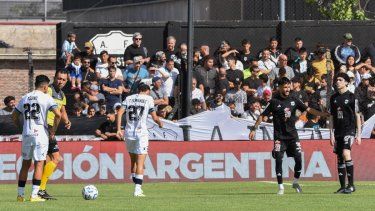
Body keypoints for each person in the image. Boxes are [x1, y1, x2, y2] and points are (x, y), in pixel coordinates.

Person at [249, 77, 330, 195]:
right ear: (280, 87)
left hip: (292, 136)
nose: (287, 89)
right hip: (279, 137)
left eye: (289, 87)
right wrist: (254, 129)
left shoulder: (294, 99)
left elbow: (308, 109)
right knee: (278, 159)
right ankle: (281, 187)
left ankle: (295, 182)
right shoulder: (274, 101)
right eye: (285, 87)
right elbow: (262, 115)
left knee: (298, 159)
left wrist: (323, 114)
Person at [12, 75, 61, 202]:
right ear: (45, 86)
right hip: (40, 134)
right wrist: (53, 130)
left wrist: (21, 127)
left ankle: (20, 195)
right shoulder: (46, 97)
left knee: (25, 164)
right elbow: (58, 114)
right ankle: (34, 195)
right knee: (39, 163)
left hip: (27, 133)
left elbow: (14, 116)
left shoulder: (25, 97)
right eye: (47, 87)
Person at [116, 84, 163, 197]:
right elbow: (154, 117)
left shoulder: (128, 98)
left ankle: (136, 184)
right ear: (147, 91)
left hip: (128, 133)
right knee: (141, 162)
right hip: (141, 133)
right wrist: (160, 123)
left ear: (138, 90)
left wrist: (118, 129)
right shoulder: (148, 99)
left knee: (133, 161)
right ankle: (137, 189)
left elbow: (119, 112)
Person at [38, 70, 71, 200]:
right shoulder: (48, 90)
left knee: (47, 161)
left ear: (66, 81)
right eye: (58, 78)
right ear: (54, 78)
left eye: (63, 79)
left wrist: (67, 121)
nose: (60, 81)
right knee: (56, 158)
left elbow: (62, 110)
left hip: (51, 129)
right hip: (46, 128)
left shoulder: (62, 95)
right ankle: (40, 189)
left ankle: (40, 189)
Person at [329, 72, 362, 194]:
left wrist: (358, 134)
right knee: (339, 158)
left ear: (347, 82)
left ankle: (351, 185)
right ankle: (343, 187)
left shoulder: (352, 97)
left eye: (340, 79)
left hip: (349, 130)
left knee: (345, 153)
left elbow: (357, 116)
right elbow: (331, 117)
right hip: (338, 132)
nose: (337, 81)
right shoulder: (333, 98)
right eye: (336, 80)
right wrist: (331, 134)